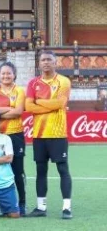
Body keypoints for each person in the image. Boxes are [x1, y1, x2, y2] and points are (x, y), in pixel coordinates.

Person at [26, 50, 73, 220]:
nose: (46, 62)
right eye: (43, 60)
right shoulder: (33, 83)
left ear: (55, 62)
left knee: (63, 169)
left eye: (49, 60)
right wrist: (50, 106)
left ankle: (66, 208)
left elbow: (60, 103)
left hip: (58, 133)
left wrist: (38, 101)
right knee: (41, 170)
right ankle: (41, 207)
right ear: (39, 63)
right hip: (39, 135)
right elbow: (28, 107)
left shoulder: (63, 81)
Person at [0, 61, 26, 215]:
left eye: (9, 73)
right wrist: (10, 108)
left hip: (15, 134)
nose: (6, 76)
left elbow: (18, 112)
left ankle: (21, 203)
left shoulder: (20, 91)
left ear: (14, 75)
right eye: (3, 73)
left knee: (17, 171)